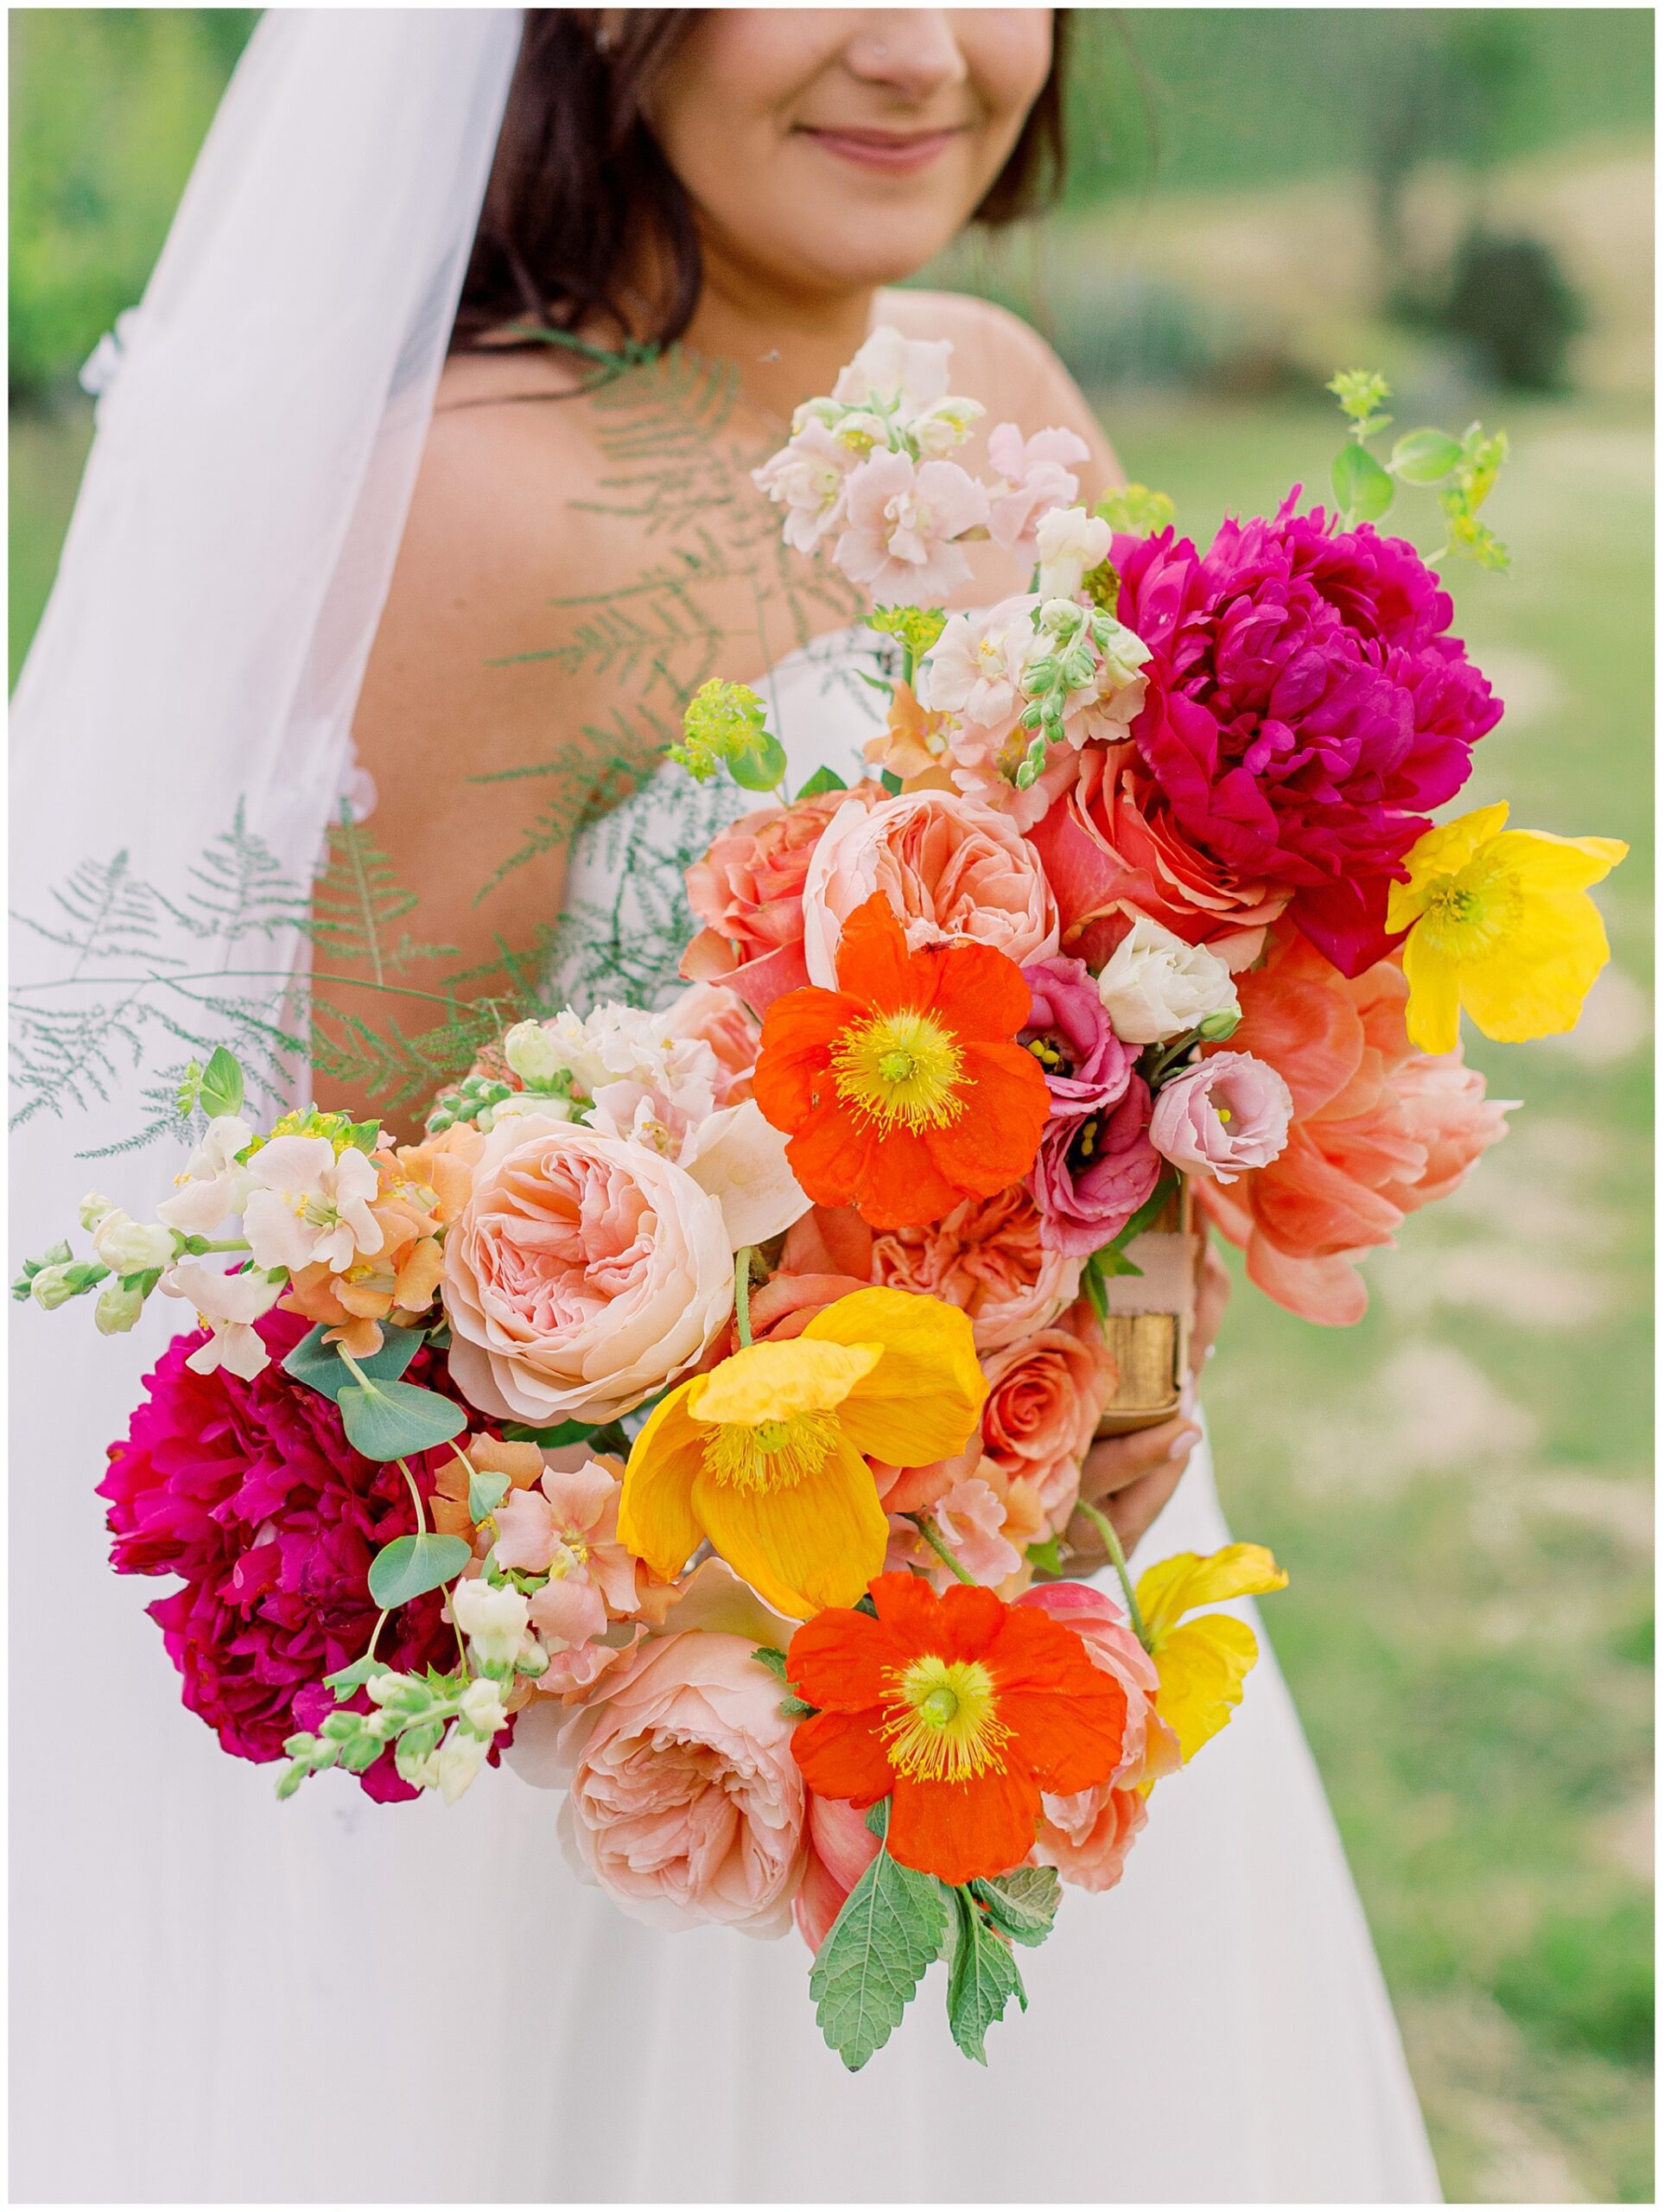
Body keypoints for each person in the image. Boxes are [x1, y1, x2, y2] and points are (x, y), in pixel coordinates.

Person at [10, 12, 1441, 2200]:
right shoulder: (485, 506)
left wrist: (1124, 1372)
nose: (923, 53)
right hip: (688, 1718)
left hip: (1047, 1626)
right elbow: (380, 1272)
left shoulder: (1007, 395)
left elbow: (1146, 1007)